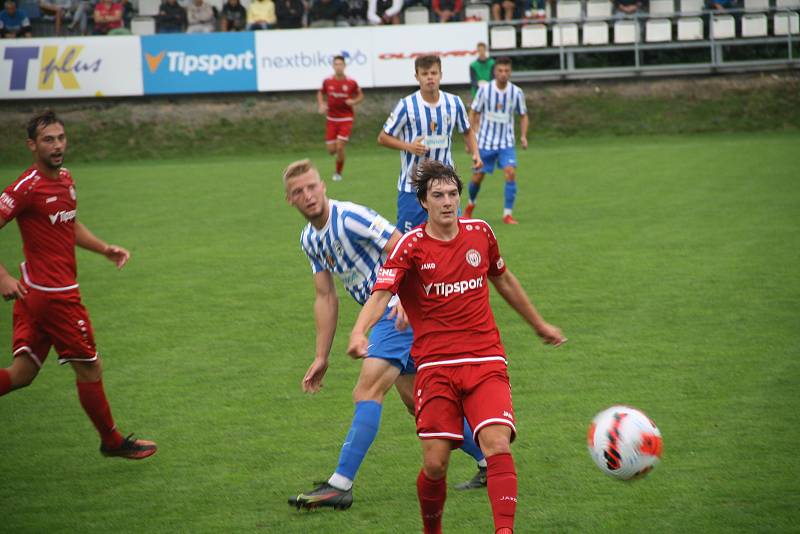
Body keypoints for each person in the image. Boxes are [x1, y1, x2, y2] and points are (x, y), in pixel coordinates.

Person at [347, 160, 566, 534]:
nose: (448, 202)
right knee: (435, 464)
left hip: (485, 359)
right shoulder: (410, 247)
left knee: (497, 443)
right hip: (434, 367)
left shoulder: (481, 233)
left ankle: (504, 530)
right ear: (424, 202)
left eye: (452, 194)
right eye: (438, 196)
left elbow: (504, 279)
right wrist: (359, 331)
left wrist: (539, 324)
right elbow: (382, 292)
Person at [284, 159, 488, 510]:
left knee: (367, 389)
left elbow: (405, 244)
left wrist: (408, 299)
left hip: (397, 309)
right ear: (290, 200)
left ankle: (340, 484)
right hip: (389, 313)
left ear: (323, 186)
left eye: (312, 186)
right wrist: (321, 356)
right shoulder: (310, 239)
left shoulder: (351, 217)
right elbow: (325, 296)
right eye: (298, 191)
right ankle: (490, 459)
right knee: (419, 405)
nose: (308, 195)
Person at [0, 111, 157, 461]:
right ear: (31, 145)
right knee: (90, 368)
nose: (57, 146)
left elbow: (68, 225)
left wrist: (103, 248)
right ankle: (112, 441)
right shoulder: (26, 187)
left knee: (22, 374)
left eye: (60, 138)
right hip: (53, 296)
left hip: (34, 293)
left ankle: (111, 440)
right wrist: (2, 276)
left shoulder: (66, 179)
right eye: (48, 140)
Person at [378, 54, 482, 234]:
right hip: (412, 187)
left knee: (452, 237)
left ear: (441, 74)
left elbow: (467, 131)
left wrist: (476, 154)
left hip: (445, 187)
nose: (430, 77)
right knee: (407, 240)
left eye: (433, 73)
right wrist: (409, 146)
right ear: (417, 76)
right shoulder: (406, 106)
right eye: (425, 74)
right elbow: (383, 137)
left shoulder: (453, 103)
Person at [465, 56, 528, 225]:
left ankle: (507, 214)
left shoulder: (516, 92)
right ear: (495, 71)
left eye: (507, 70)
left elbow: (523, 115)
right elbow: (473, 112)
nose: (503, 74)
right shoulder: (485, 91)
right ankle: (471, 204)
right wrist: (470, 138)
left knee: (510, 173)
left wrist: (523, 136)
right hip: (485, 142)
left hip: (506, 143)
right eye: (500, 70)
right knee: (477, 177)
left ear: (510, 72)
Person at [317, 55, 363, 183]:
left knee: (340, 147)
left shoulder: (351, 82)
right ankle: (338, 157)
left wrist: (353, 101)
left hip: (346, 119)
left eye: (340, 64)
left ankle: (338, 173)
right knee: (331, 150)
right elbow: (321, 92)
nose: (338, 66)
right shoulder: (327, 81)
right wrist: (321, 104)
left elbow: (360, 95)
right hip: (331, 119)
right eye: (336, 64)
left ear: (344, 66)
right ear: (333, 66)